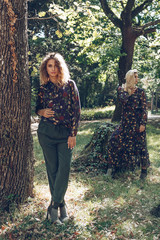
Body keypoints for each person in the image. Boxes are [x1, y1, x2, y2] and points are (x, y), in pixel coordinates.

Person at [35, 52, 81, 224]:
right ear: (45, 68)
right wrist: (41, 111)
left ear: (60, 67)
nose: (53, 69)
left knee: (64, 170)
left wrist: (73, 134)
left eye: (55, 65)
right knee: (52, 171)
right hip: (46, 133)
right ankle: (62, 206)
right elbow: (37, 108)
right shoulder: (43, 88)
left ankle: (53, 207)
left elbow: (76, 111)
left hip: (65, 135)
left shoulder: (70, 85)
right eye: (49, 66)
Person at [106, 69, 150, 179]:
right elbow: (122, 100)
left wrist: (143, 124)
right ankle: (111, 168)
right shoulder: (121, 90)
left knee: (142, 147)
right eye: (135, 76)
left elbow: (144, 109)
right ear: (130, 77)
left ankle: (144, 171)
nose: (137, 79)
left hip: (137, 124)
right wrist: (126, 90)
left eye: (137, 77)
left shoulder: (141, 92)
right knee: (113, 141)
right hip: (125, 125)